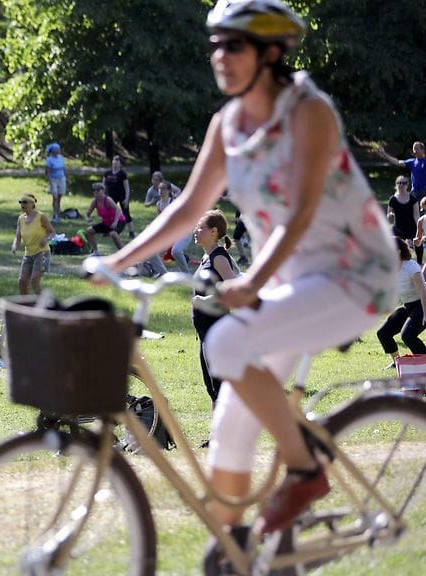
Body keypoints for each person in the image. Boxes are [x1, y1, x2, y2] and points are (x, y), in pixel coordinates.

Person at [91, 0, 397, 538]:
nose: (219, 56)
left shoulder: (308, 111)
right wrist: (120, 258)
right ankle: (232, 552)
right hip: (293, 282)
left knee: (226, 343)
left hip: (354, 276)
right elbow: (188, 207)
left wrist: (253, 280)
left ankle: (304, 470)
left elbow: (301, 210)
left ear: (271, 53)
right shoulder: (228, 123)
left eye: (233, 45)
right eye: (214, 44)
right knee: (230, 422)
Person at [191, 210, 238, 411]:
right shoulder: (207, 256)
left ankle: (225, 435)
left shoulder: (218, 258)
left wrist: (206, 300)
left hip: (216, 329)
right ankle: (215, 437)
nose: (195, 231)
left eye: (200, 227)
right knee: (212, 385)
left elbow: (234, 288)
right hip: (205, 331)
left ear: (213, 231)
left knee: (219, 384)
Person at [377, 236, 426, 367]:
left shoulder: (411, 267)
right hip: (408, 305)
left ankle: (424, 363)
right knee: (383, 333)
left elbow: (423, 292)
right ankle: (397, 363)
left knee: (408, 335)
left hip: (422, 304)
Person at [12, 193, 56, 295]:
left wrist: (46, 239)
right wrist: (15, 245)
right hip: (28, 254)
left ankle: (44, 304)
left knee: (34, 281)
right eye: (21, 202)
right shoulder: (21, 218)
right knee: (22, 282)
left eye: (25, 202)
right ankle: (26, 306)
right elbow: (18, 235)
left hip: (42, 253)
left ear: (32, 203)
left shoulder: (41, 216)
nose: (22, 204)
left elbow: (52, 232)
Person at [83, 183, 125, 257]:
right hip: (106, 223)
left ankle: (124, 253)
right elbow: (87, 214)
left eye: (98, 189)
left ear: (103, 190)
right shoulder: (95, 201)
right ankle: (96, 252)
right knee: (89, 231)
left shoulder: (108, 200)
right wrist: (88, 219)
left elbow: (118, 210)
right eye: (94, 190)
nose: (96, 192)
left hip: (119, 220)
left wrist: (115, 222)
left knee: (113, 234)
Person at [387, 175, 420, 262]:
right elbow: (388, 214)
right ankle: (394, 263)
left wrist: (419, 229)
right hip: (398, 227)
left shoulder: (413, 199)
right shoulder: (392, 199)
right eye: (399, 183)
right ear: (396, 184)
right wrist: (390, 214)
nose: (401, 185)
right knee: (391, 242)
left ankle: (419, 263)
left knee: (417, 244)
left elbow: (416, 216)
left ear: (407, 185)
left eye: (404, 183)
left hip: (411, 227)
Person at [103, 155, 133, 237]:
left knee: (126, 213)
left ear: (120, 164)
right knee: (108, 213)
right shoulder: (107, 173)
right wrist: (103, 196)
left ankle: (131, 232)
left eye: (117, 162)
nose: (115, 164)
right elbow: (103, 185)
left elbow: (127, 187)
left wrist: (127, 198)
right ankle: (108, 230)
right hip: (110, 197)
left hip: (121, 196)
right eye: (114, 162)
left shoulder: (122, 174)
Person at [44, 143, 67, 222]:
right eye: (57, 149)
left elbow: (63, 168)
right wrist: (50, 181)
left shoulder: (61, 158)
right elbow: (47, 172)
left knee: (60, 197)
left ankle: (58, 211)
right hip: (53, 179)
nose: (59, 150)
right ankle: (55, 214)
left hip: (61, 178)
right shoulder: (49, 160)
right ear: (53, 151)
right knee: (55, 197)